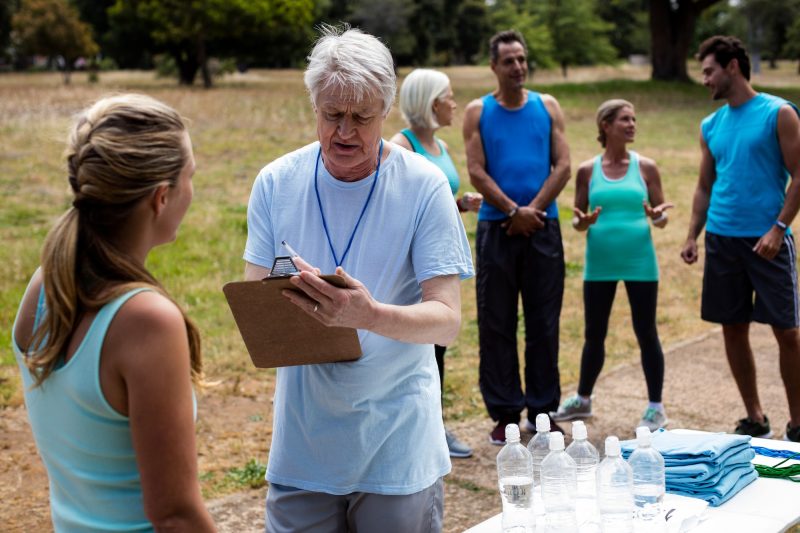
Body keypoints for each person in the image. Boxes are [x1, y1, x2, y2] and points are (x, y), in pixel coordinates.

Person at [243, 26, 473, 531]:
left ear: (386, 111)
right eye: (332, 115)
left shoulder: (423, 186)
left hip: (397, 445)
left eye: (361, 118)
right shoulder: (277, 182)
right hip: (304, 445)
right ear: (314, 107)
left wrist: (369, 316)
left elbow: (447, 321)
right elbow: (257, 307)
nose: (344, 132)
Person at [12, 94, 216, 532]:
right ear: (161, 197)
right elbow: (175, 515)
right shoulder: (148, 321)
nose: (192, 190)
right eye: (191, 177)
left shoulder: (45, 285)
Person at [681, 35, 800, 442]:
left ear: (732, 67)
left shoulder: (778, 113)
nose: (704, 80)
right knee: (732, 328)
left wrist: (778, 228)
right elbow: (704, 186)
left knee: (788, 333)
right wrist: (692, 235)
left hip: (768, 240)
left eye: (709, 71)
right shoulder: (710, 125)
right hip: (722, 239)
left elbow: (799, 175)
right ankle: (755, 417)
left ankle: (798, 423)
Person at [462, 30, 571, 445]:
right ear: (494, 66)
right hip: (498, 228)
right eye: (509, 61)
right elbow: (476, 169)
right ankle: (506, 413)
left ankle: (542, 411)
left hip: (542, 227)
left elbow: (563, 164)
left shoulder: (548, 106)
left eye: (522, 59)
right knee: (497, 322)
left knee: (544, 321)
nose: (518, 67)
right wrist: (512, 210)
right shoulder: (478, 111)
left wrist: (533, 210)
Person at [551, 99, 673, 432]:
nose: (632, 125)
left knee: (646, 331)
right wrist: (583, 222)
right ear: (605, 125)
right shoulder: (587, 171)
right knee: (594, 333)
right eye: (625, 119)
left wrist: (657, 216)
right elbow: (578, 221)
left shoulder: (646, 167)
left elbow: (661, 218)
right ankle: (583, 400)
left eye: (634, 119)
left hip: (640, 261)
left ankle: (656, 408)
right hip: (600, 262)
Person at [390, 68, 482, 459]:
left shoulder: (440, 145)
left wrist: (460, 204)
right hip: (411, 267)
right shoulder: (401, 146)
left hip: (439, 261)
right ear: (431, 102)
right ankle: (415, 431)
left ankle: (433, 426)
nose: (455, 104)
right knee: (415, 346)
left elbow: (433, 202)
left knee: (437, 347)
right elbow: (394, 207)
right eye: (449, 96)